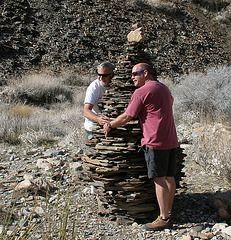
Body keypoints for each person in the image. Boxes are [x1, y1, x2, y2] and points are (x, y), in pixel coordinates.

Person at [103, 63, 178, 231]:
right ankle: (169, 212)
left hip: (155, 140)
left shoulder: (141, 92)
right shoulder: (164, 88)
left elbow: (127, 117)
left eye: (135, 73)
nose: (132, 77)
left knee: (159, 178)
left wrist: (110, 124)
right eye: (131, 74)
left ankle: (164, 218)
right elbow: (170, 103)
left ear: (145, 73)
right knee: (169, 177)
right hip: (171, 139)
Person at [83, 61, 114, 148]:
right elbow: (86, 111)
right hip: (93, 128)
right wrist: (98, 119)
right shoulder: (94, 87)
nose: (100, 78)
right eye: (99, 74)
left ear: (112, 75)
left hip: (110, 127)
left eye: (104, 75)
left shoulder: (116, 86)